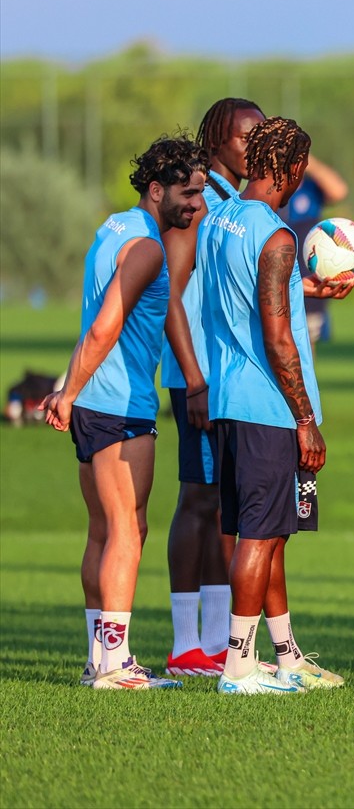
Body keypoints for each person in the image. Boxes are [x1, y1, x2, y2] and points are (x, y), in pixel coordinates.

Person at [41, 134, 207, 690]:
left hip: (95, 402)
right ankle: (114, 665)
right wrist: (68, 391)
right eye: (188, 193)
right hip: (119, 407)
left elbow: (95, 318)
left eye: (201, 193)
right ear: (156, 189)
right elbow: (106, 323)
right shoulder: (147, 248)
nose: (196, 205)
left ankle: (100, 659)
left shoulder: (112, 229)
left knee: (104, 530)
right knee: (127, 532)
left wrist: (70, 388)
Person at [201, 116, 350, 694]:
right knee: (260, 537)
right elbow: (279, 337)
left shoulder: (221, 221)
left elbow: (244, 295)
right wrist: (306, 420)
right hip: (271, 406)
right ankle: (239, 667)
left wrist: (302, 287)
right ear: (291, 170)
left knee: (269, 532)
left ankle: (287, 656)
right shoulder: (277, 235)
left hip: (229, 398)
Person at [159, 97, 265, 677]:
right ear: (219, 137)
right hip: (198, 378)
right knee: (198, 500)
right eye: (246, 137)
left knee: (224, 505)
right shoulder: (200, 203)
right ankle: (183, 645)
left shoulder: (235, 204)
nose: (254, 147)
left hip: (227, 380)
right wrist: (195, 379)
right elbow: (171, 295)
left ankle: (219, 642)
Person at [281, 156, 349, 352]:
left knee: (305, 345)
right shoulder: (265, 187)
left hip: (307, 278)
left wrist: (307, 161)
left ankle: (305, 383)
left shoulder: (310, 187)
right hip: (276, 276)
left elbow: (339, 191)